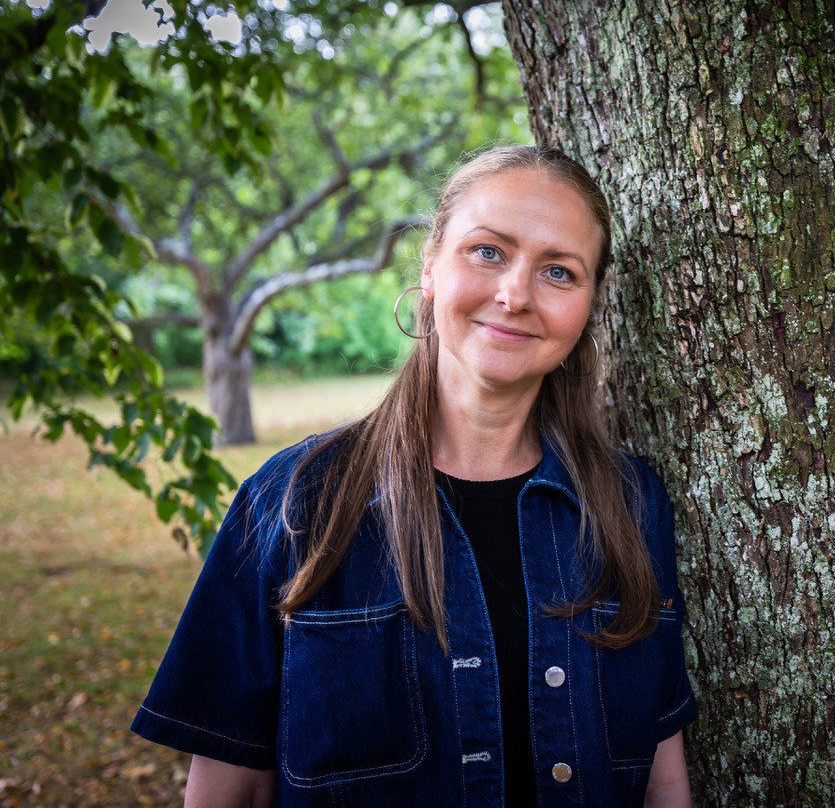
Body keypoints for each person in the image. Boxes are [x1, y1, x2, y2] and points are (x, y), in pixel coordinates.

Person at [132, 145, 698, 807]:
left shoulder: (631, 505)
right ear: (430, 266)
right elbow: (228, 791)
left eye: (559, 271)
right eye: (487, 251)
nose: (514, 294)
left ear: (589, 303)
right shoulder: (293, 501)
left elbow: (663, 780)